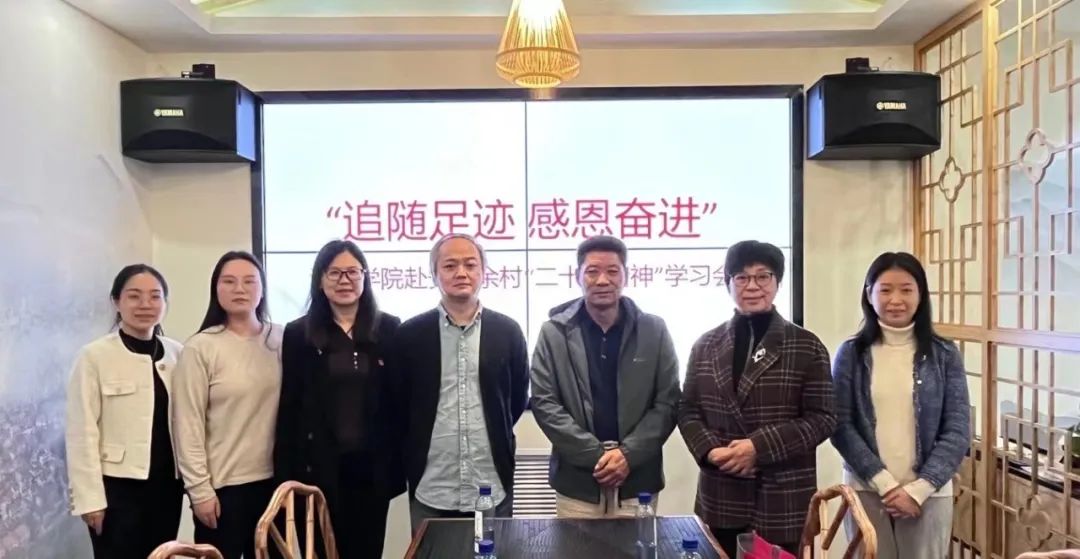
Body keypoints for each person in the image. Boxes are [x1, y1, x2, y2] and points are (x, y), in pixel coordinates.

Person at [677, 240, 836, 558]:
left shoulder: (806, 345)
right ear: (728, 283)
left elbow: (823, 418)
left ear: (777, 282)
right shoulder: (705, 344)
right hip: (721, 492)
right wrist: (711, 452)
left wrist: (758, 448)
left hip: (782, 498)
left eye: (763, 276)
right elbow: (687, 408)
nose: (752, 286)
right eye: (741, 277)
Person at [831, 252, 970, 559]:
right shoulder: (851, 353)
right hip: (866, 491)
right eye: (885, 290)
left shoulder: (944, 355)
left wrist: (919, 490)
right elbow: (840, 425)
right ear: (869, 294)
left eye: (906, 290)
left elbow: (958, 430)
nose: (896, 300)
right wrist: (886, 485)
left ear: (921, 295)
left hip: (929, 495)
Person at [530, 235, 680, 518]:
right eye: (592, 271)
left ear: (626, 275)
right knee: (575, 544)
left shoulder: (653, 330)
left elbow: (668, 402)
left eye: (612, 271)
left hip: (637, 479)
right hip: (577, 481)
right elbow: (544, 402)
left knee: (638, 544)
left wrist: (628, 455)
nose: (602, 280)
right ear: (577, 276)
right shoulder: (554, 333)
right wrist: (596, 457)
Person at [391, 233, 529, 534]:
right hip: (432, 484)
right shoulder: (409, 335)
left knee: (490, 552)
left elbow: (515, 400)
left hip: (489, 481)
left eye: (470, 264)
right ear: (434, 274)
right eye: (450, 265)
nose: (461, 273)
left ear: (483, 272)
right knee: (433, 553)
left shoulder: (508, 331)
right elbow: (398, 405)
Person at [274, 240, 402, 559]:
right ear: (320, 280)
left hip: (372, 470)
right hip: (317, 469)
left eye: (352, 272)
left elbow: (398, 403)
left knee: (368, 551)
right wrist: (285, 473)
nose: (344, 280)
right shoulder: (299, 333)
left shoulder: (389, 328)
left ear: (365, 277)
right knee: (323, 551)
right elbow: (290, 407)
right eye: (334, 273)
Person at [65, 264, 185, 559]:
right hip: (116, 489)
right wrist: (90, 499)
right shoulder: (94, 356)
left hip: (167, 485)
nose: (145, 304)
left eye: (155, 296)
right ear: (116, 301)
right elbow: (81, 431)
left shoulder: (178, 353)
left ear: (165, 303)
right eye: (134, 296)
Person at [172, 251, 283, 559]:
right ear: (216, 289)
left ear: (262, 289)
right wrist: (199, 491)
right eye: (229, 281)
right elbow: (187, 425)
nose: (239, 289)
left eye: (249, 281)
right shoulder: (201, 347)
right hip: (223, 490)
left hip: (275, 485)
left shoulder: (281, 339)